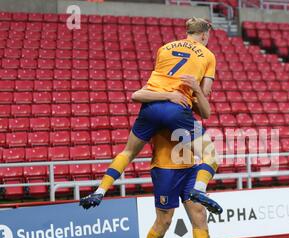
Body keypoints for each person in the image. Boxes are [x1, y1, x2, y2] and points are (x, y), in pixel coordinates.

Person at [79, 17, 222, 214]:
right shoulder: (208, 55)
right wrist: (186, 92)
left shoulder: (164, 49)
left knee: (128, 153)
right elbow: (204, 93)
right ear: (205, 34)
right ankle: (199, 190)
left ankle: (100, 191)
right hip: (177, 110)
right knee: (211, 155)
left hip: (151, 106)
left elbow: (149, 86)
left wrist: (166, 94)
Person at [133, 83, 229, 238]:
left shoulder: (188, 105)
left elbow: (205, 113)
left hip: (189, 168)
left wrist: (199, 92)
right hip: (165, 169)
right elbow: (138, 95)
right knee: (164, 222)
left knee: (199, 214)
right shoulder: (162, 100)